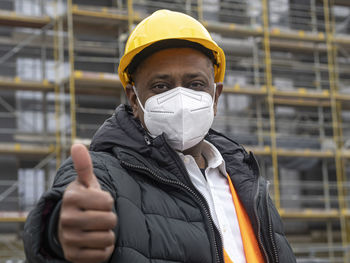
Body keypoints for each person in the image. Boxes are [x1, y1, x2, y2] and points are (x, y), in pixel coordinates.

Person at [23, 9, 296, 263]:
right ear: (134, 100)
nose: (179, 96)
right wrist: (60, 229)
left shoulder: (247, 182)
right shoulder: (102, 172)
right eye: (161, 86)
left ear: (216, 96)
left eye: (195, 84)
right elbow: (60, 219)